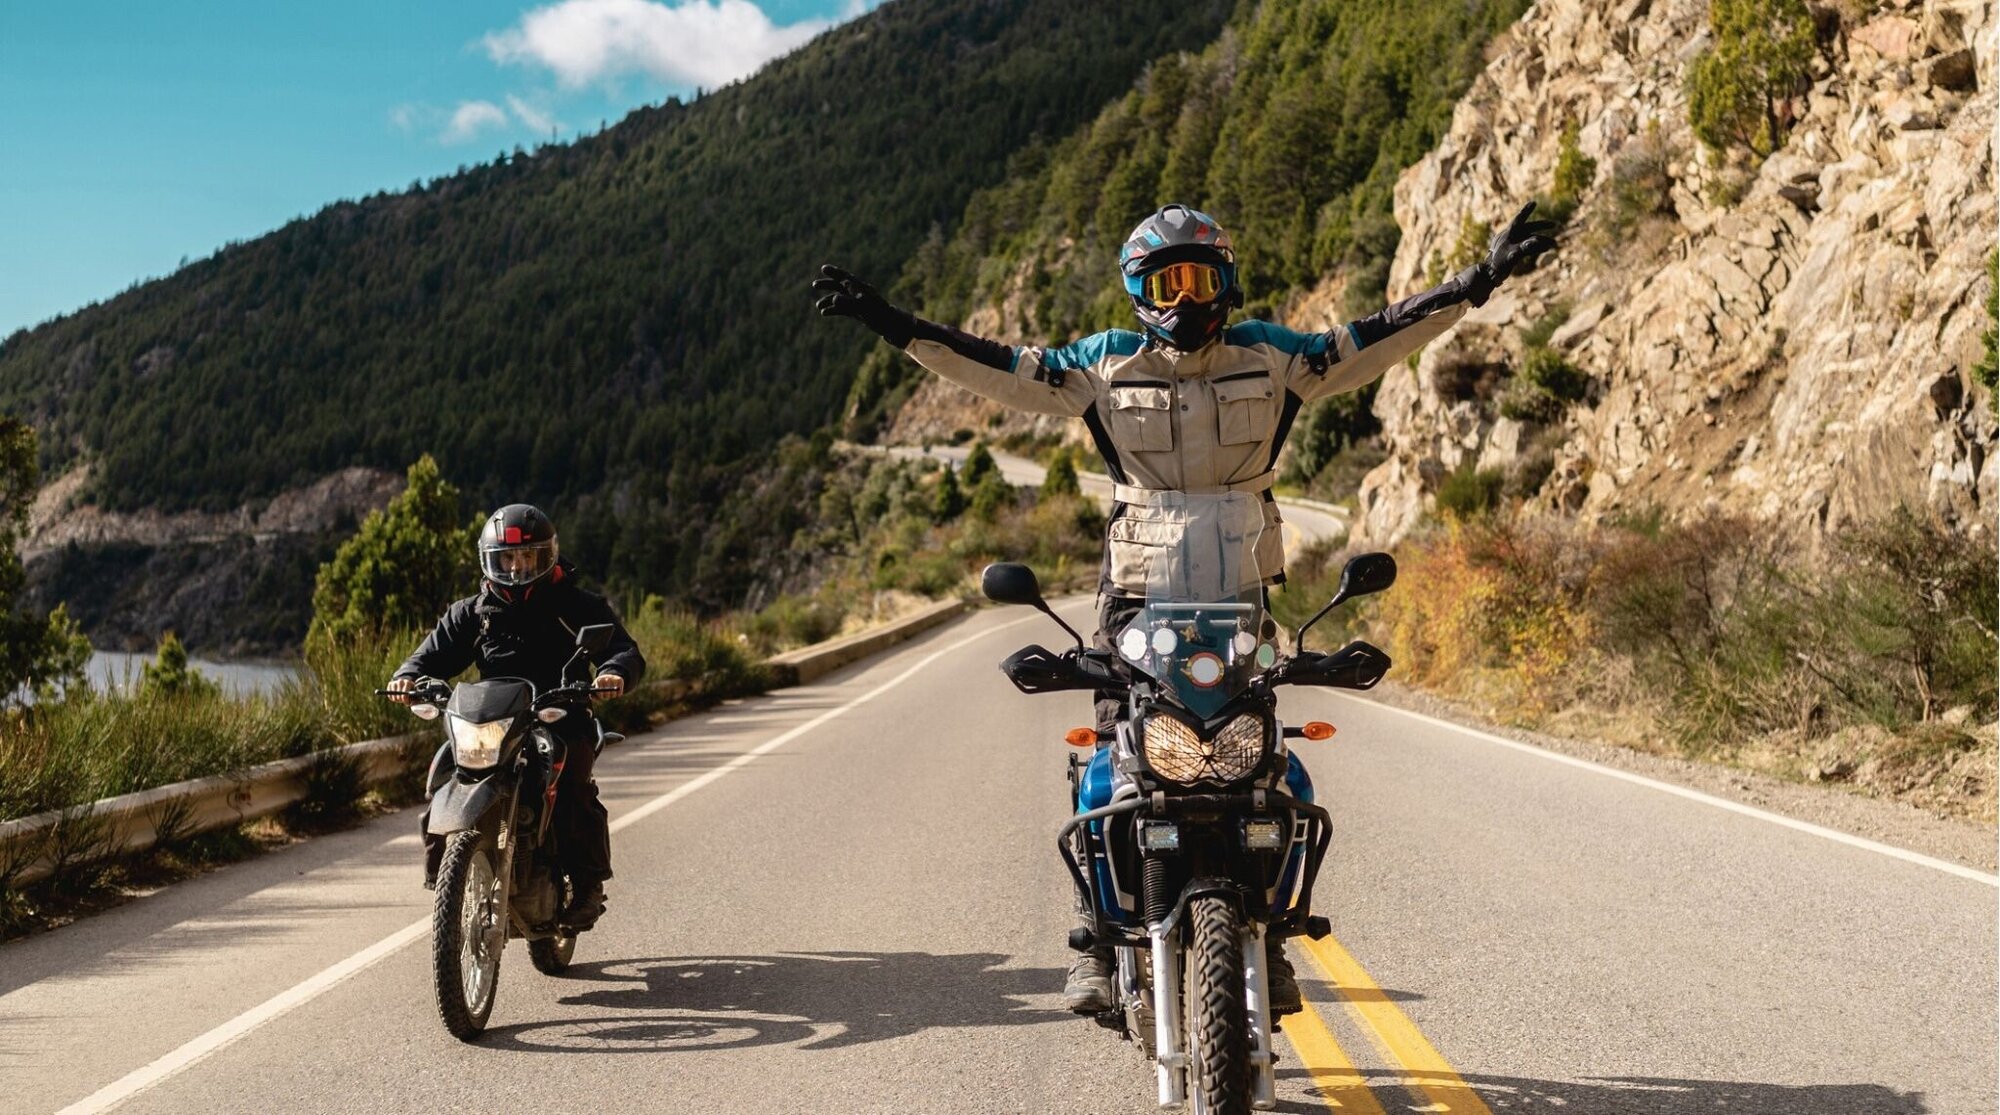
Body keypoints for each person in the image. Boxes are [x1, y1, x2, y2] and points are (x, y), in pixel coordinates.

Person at [813, 201, 1555, 1015]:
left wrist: (1474, 283)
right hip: (1136, 598)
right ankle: (1095, 940)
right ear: (1138, 291)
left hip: (1240, 594)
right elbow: (990, 363)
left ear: (1227, 280)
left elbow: (1375, 336)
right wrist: (893, 324)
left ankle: (1266, 935)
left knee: (1263, 762)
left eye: (1200, 276)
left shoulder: (1274, 357)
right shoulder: (1102, 364)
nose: (1185, 298)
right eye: (1165, 281)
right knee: (1116, 757)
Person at [387, 503, 645, 929]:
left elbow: (623, 650)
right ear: (491, 560)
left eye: (527, 556)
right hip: (494, 721)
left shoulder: (576, 605)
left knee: (571, 788)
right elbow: (427, 656)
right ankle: (446, 881)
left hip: (560, 713)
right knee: (444, 775)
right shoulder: (472, 613)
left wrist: (615, 672)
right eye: (508, 558)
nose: (517, 566)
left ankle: (587, 885)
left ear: (546, 556)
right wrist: (408, 678)